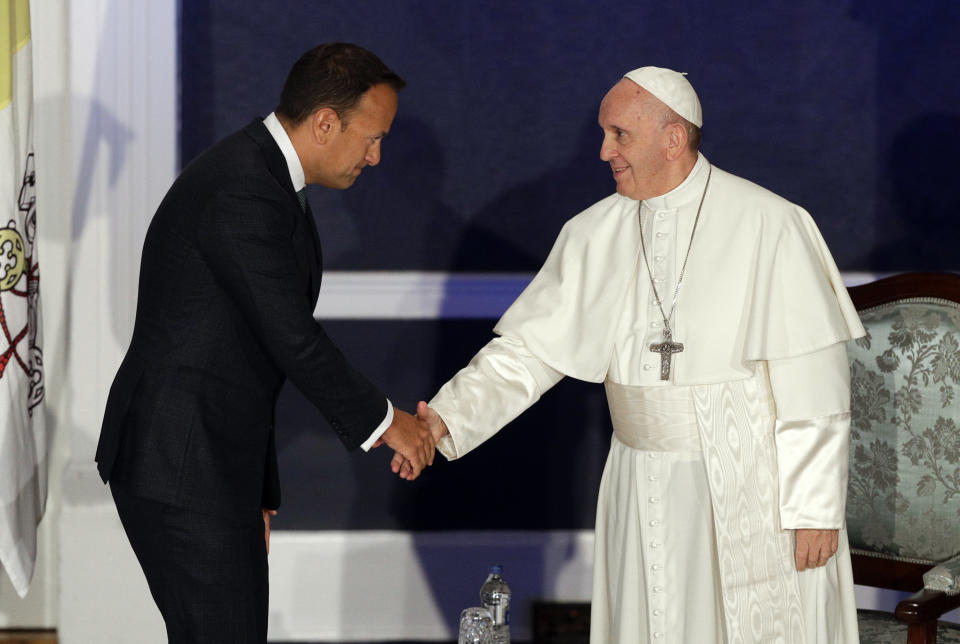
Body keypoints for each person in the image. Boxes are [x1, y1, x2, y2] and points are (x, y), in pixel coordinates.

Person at [410, 67, 864, 643]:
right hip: (637, 474)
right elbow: (527, 353)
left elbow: (814, 380)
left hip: (751, 484)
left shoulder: (771, 223)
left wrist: (815, 507)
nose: (603, 151)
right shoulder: (594, 232)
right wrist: (446, 418)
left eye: (618, 134)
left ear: (673, 138)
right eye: (604, 134)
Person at [95, 43, 435, 644]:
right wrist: (391, 424)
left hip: (209, 466)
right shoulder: (243, 189)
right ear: (326, 122)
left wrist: (255, 487)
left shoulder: (267, 179)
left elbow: (246, 354)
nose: (376, 157)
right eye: (372, 137)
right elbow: (292, 340)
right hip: (182, 468)